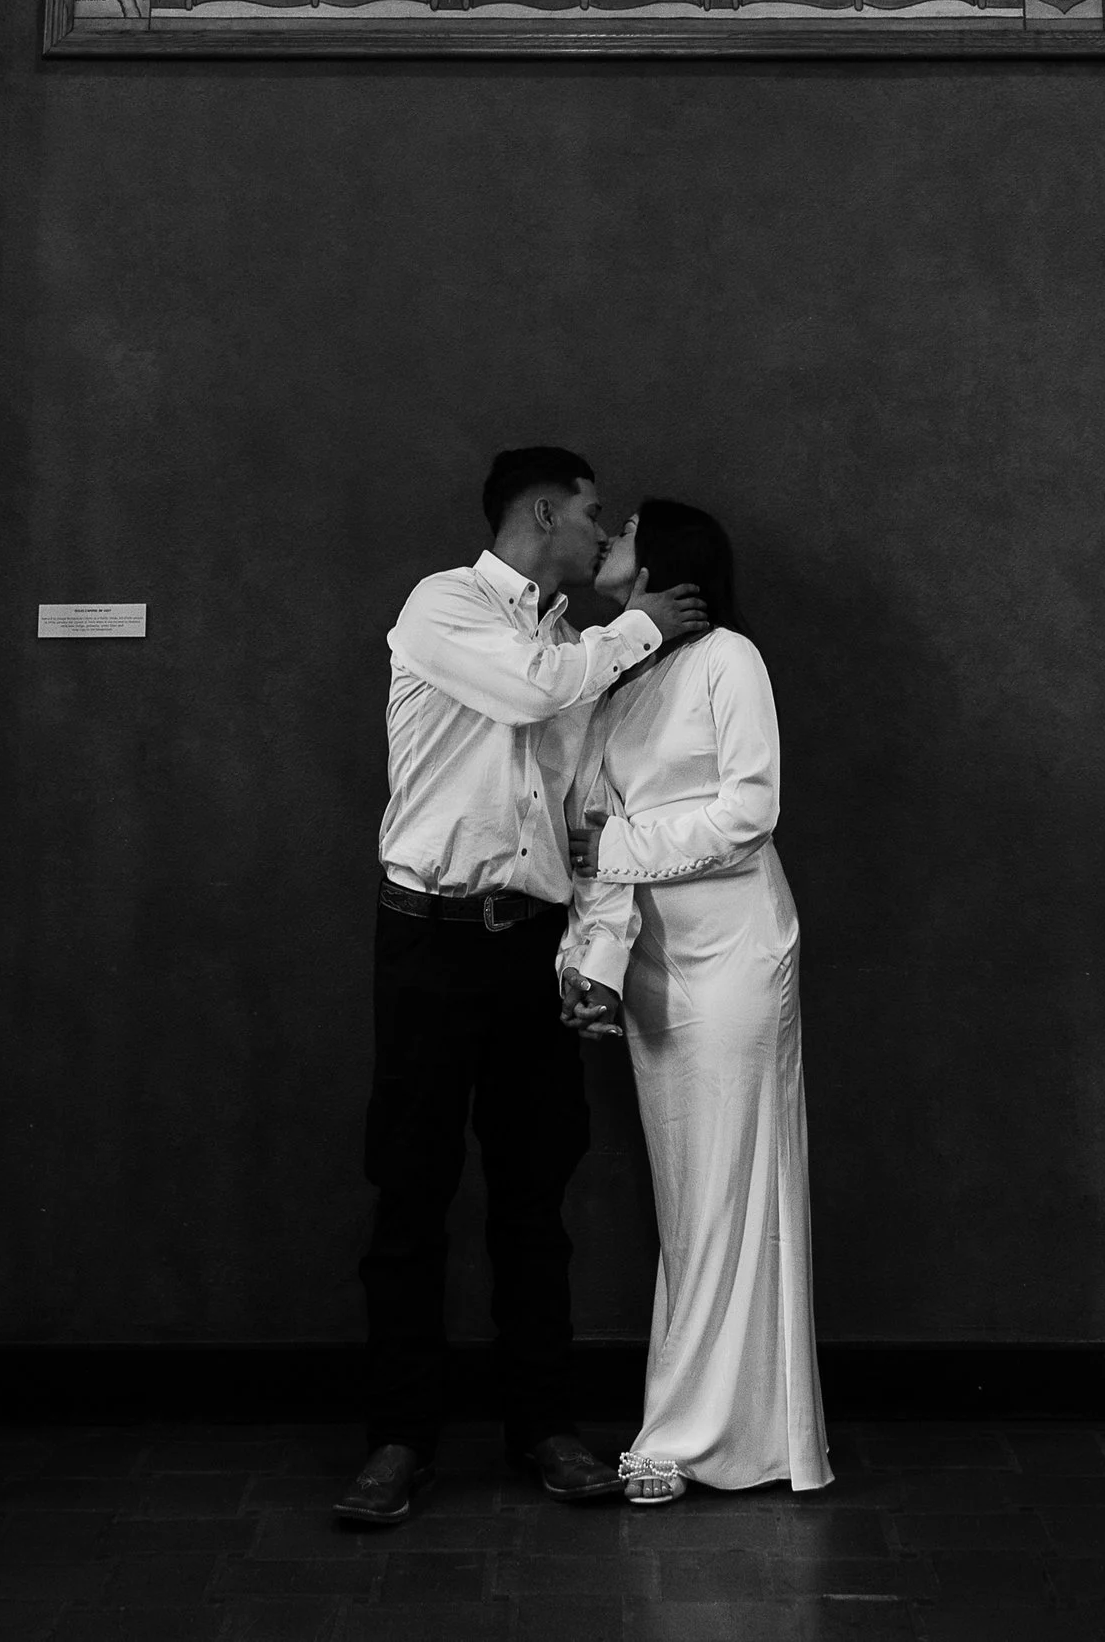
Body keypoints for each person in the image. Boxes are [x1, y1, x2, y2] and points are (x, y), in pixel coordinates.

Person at [335, 445, 710, 1533]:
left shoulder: (568, 643)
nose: (601, 534)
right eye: (591, 515)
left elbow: (575, 798)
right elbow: (527, 688)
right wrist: (646, 627)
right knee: (408, 1193)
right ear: (542, 513)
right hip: (426, 942)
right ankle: (398, 1441)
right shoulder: (443, 608)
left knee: (534, 1194)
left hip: (525, 946)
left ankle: (542, 1428)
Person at [560, 501, 831, 1504]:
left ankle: (684, 1436)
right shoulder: (622, 678)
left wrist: (617, 852)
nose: (604, 543)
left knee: (724, 1189)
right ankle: (734, 1434)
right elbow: (594, 827)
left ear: (667, 559)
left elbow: (751, 812)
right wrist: (589, 956)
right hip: (653, 963)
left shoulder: (729, 661)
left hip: (734, 952)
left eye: (621, 529)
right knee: (688, 1196)